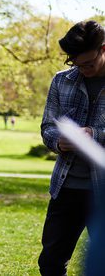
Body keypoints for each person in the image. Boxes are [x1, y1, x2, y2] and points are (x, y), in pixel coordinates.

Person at [37, 20, 105, 276]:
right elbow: (47, 126)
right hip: (66, 188)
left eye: (88, 64)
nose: (82, 69)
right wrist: (57, 140)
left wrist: (94, 134)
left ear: (103, 49)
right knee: (51, 264)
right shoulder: (61, 81)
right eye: (75, 63)